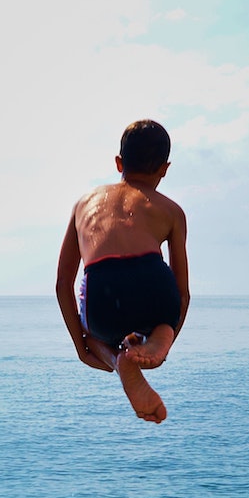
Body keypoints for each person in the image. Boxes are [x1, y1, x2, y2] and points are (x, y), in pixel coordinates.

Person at [56, 119, 190, 423]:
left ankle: (118, 360)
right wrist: (168, 340)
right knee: (163, 321)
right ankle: (158, 338)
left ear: (119, 162)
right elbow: (182, 292)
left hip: (104, 292)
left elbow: (63, 283)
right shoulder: (171, 210)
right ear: (164, 168)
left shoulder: (83, 204)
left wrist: (82, 345)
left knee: (93, 336)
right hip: (154, 286)